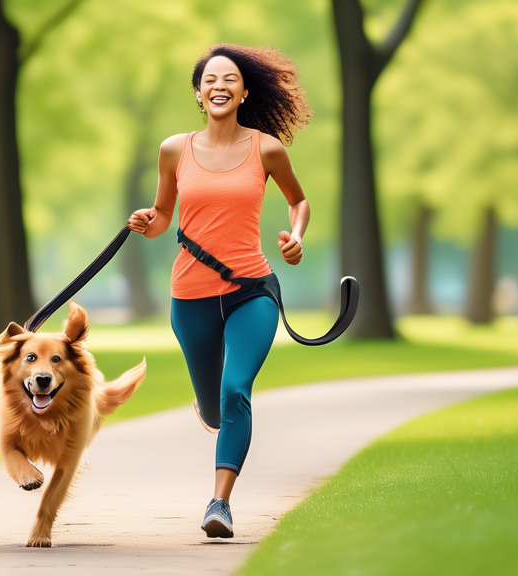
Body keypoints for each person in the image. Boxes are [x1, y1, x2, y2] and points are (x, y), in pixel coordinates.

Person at [127, 43, 312, 539]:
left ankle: (219, 503)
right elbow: (164, 215)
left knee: (236, 392)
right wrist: (149, 221)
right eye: (210, 80)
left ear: (244, 92)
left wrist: (295, 237)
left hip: (253, 290)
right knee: (213, 405)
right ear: (198, 93)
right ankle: (209, 410)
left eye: (229, 79)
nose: (219, 87)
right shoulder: (174, 149)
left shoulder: (266, 148)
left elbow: (299, 201)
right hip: (191, 296)